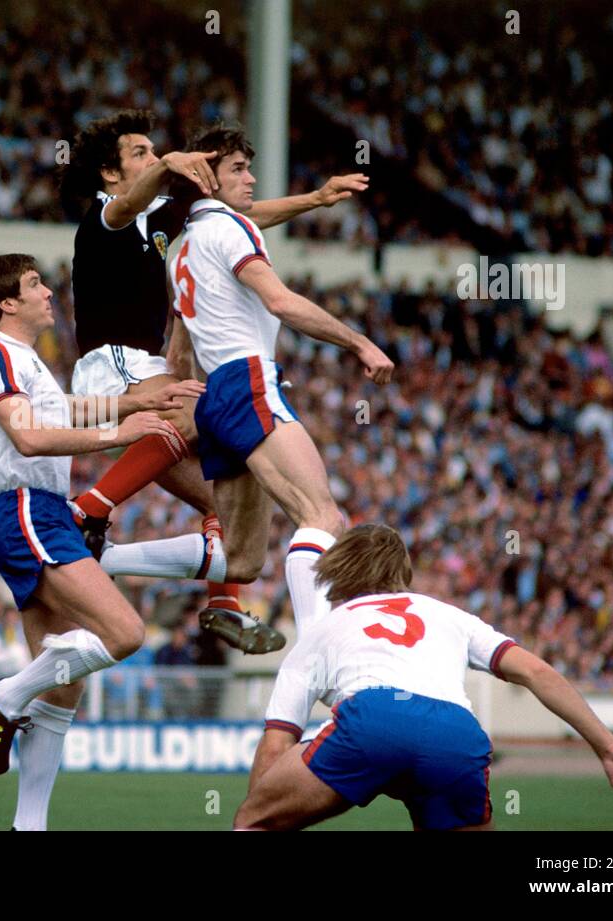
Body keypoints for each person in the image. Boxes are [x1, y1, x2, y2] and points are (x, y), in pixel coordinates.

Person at [61, 109, 369, 652]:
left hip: (144, 367)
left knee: (223, 505)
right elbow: (134, 202)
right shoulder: (109, 212)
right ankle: (86, 510)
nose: (154, 159)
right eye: (141, 154)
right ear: (110, 173)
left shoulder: (161, 217)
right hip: (116, 364)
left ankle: (220, 603)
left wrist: (314, 200)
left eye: (156, 152)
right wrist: (173, 163)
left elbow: (240, 213)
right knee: (200, 409)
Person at [0, 253, 211, 829]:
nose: (49, 292)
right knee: (123, 633)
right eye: (33, 284)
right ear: (6, 304)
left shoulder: (21, 358)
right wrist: (117, 433)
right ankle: (5, 696)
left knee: (62, 692)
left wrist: (136, 402)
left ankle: (29, 823)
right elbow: (26, 436)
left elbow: (61, 409)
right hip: (27, 510)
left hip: (35, 513)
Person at [234, 524, 613, 831]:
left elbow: (278, 741)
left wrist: (260, 810)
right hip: (454, 733)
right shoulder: (449, 615)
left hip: (372, 718)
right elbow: (535, 671)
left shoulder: (322, 630)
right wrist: (606, 746)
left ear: (340, 573)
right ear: (402, 574)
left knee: (253, 823)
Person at [165, 124, 394, 647]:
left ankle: (102, 557)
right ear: (207, 180)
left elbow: (177, 354)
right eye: (238, 170)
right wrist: (359, 342)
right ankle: (320, 650)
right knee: (324, 517)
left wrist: (315, 199)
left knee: (241, 561)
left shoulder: (179, 249)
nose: (251, 179)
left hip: (215, 396)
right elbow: (281, 302)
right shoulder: (232, 232)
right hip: (248, 381)